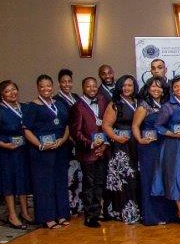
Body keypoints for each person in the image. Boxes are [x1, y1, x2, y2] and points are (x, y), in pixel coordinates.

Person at [23, 74, 72, 229]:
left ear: (53, 86)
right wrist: (40, 145)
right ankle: (48, 217)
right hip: (42, 152)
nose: (46, 89)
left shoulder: (60, 104)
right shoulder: (32, 106)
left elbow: (67, 126)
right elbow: (26, 130)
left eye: (48, 86)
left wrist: (62, 140)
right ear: (38, 88)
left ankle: (62, 214)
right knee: (44, 184)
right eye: (42, 86)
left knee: (60, 182)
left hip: (60, 149)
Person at [0, 80, 31, 227]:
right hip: (6, 153)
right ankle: (12, 215)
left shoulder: (24, 107)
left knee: (23, 180)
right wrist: (2, 144)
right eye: (7, 91)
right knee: (9, 182)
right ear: (1, 95)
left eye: (14, 89)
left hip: (22, 151)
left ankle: (25, 212)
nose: (12, 93)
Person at [132, 77, 174, 227]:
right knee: (150, 178)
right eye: (153, 86)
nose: (156, 89)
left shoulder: (167, 104)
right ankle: (152, 215)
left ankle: (167, 213)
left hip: (165, 144)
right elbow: (135, 126)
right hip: (149, 147)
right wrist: (140, 140)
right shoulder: (144, 106)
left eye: (159, 87)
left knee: (164, 178)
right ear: (148, 88)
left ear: (164, 90)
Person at [100, 75, 141, 224]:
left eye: (129, 85)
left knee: (136, 178)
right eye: (124, 85)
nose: (126, 88)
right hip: (121, 146)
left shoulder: (138, 102)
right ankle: (125, 212)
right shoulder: (115, 104)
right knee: (125, 179)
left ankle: (138, 211)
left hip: (136, 144)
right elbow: (106, 125)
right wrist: (116, 138)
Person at [69, 77, 109, 228]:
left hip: (102, 150)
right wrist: (91, 144)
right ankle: (90, 216)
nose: (92, 89)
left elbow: (106, 124)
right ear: (83, 88)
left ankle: (97, 212)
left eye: (94, 86)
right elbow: (76, 132)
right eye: (88, 86)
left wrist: (104, 144)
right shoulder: (78, 107)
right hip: (88, 152)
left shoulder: (102, 102)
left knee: (100, 183)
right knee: (89, 184)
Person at [153, 76, 180, 225]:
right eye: (176, 87)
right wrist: (173, 134)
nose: (179, 89)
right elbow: (158, 126)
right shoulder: (168, 106)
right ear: (172, 89)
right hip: (174, 146)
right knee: (177, 178)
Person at [55, 68, 83, 216]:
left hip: (79, 140)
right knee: (68, 175)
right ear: (59, 83)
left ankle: (79, 204)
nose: (67, 84)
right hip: (66, 140)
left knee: (79, 172)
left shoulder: (76, 97)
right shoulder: (56, 100)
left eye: (69, 81)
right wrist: (70, 136)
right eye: (63, 82)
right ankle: (68, 205)